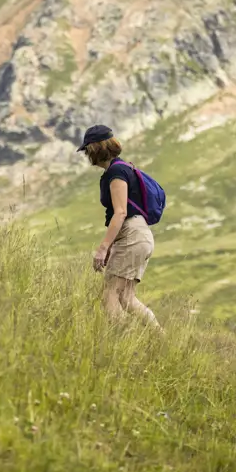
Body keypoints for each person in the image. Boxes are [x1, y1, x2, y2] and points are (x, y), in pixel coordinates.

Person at [77, 124, 162, 330]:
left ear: (96, 148)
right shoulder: (122, 168)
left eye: (87, 149)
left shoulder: (116, 172)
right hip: (138, 235)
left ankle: (121, 342)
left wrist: (103, 247)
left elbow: (121, 212)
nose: (87, 155)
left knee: (110, 295)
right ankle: (160, 339)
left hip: (132, 234)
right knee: (126, 297)